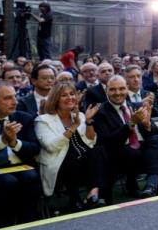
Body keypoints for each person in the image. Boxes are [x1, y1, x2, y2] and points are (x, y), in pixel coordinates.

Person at [34, 81, 107, 209]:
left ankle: (93, 193)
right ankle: (76, 198)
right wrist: (73, 127)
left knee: (99, 151)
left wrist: (89, 121)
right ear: (56, 99)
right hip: (60, 163)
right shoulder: (43, 120)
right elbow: (51, 147)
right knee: (72, 160)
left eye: (72, 94)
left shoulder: (81, 115)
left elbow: (92, 141)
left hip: (83, 161)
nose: (70, 98)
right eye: (64, 95)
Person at [95, 75, 158, 197]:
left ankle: (151, 185)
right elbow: (109, 142)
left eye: (121, 88)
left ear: (127, 88)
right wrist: (131, 123)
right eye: (112, 89)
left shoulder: (136, 106)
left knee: (157, 139)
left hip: (143, 151)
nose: (117, 93)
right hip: (120, 154)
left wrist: (147, 124)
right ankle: (155, 187)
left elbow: (154, 132)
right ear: (106, 90)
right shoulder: (101, 112)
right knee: (157, 158)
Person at [0, 80, 42, 228]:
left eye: (15, 96)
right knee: (8, 182)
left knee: (31, 176)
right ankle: (3, 226)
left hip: (19, 165)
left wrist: (14, 142)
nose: (14, 102)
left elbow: (35, 148)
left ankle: (27, 225)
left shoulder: (23, 118)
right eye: (7, 98)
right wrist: (2, 140)